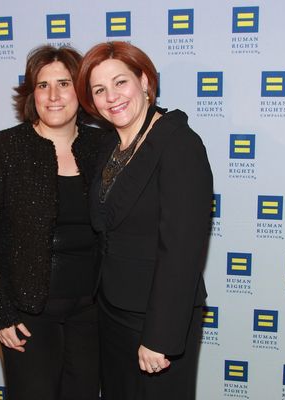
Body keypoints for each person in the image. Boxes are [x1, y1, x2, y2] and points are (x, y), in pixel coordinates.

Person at [75, 41, 213, 400]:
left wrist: (159, 336)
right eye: (99, 90)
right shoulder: (111, 146)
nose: (111, 97)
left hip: (156, 318)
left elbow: (182, 249)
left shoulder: (179, 143)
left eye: (120, 82)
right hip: (112, 309)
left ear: (145, 81)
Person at [0, 45, 104, 400]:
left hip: (92, 315)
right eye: (43, 85)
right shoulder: (3, 148)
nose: (54, 95)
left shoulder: (103, 147)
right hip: (28, 317)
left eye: (64, 83)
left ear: (82, 92)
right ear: (32, 95)